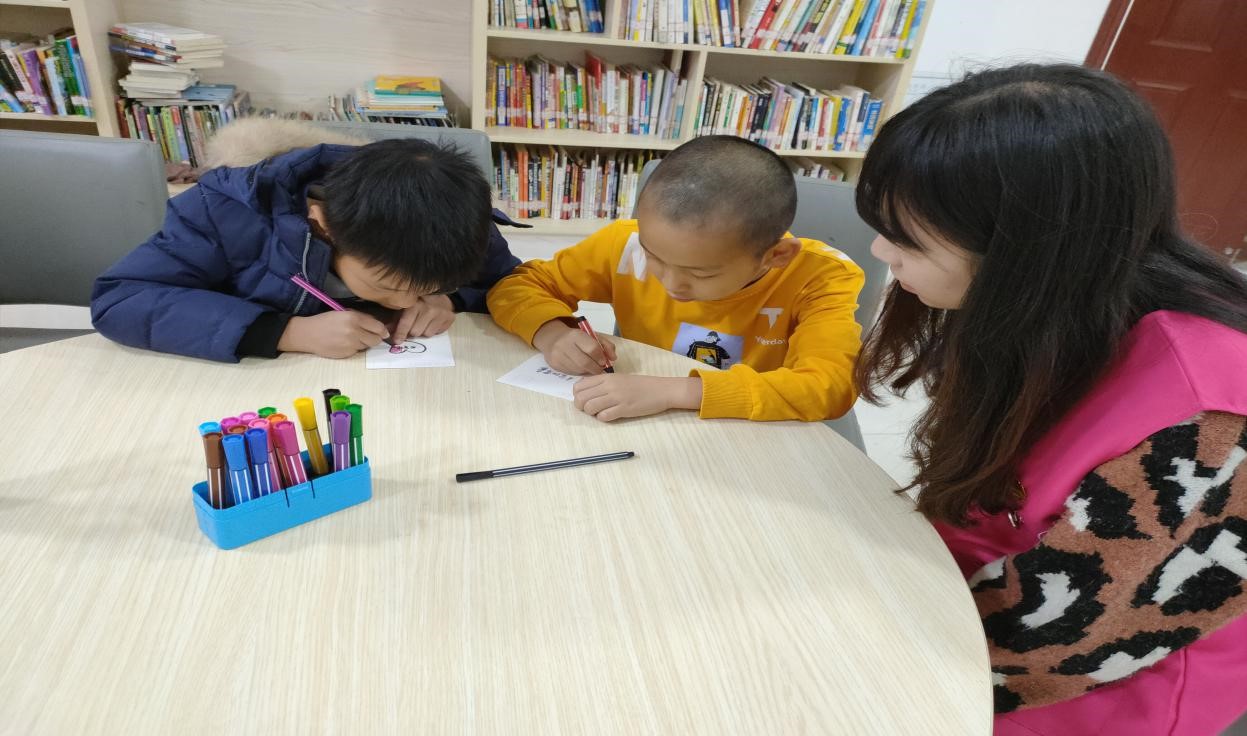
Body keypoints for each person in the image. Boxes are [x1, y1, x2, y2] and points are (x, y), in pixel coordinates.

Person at [853, 63, 1247, 735]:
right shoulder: (1048, 311)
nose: (879, 250)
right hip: (958, 599)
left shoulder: (1211, 424)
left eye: (908, 237)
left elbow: (1054, 642)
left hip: (1066, 690)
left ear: (1028, 248)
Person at [487, 135, 864, 422]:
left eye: (701, 273)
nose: (670, 283)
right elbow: (515, 285)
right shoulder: (626, 244)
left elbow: (831, 386)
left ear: (775, 256)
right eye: (653, 257)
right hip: (640, 415)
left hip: (746, 426)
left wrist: (676, 392)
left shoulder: (820, 277)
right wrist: (552, 333)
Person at [91, 133, 521, 362]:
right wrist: (285, 333)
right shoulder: (226, 210)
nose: (407, 302)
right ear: (324, 225)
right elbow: (122, 300)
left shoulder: (460, 224)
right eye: (387, 287)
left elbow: (508, 284)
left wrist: (450, 298)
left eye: (425, 287)